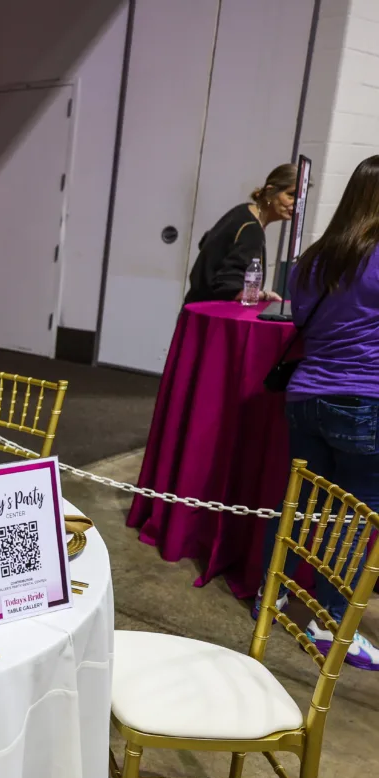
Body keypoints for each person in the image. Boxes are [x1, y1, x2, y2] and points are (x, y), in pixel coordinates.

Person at [254, 154, 379, 670]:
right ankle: (331, 624)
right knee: (352, 519)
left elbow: (301, 319)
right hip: (365, 401)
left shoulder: (312, 259)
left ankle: (271, 591)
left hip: (305, 396)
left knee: (299, 503)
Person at [184, 163, 297, 304]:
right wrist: (266, 296)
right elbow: (231, 287)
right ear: (269, 192)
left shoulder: (242, 212)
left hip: (195, 308)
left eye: (300, 198)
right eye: (291, 195)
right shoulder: (251, 229)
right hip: (209, 316)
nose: (296, 203)